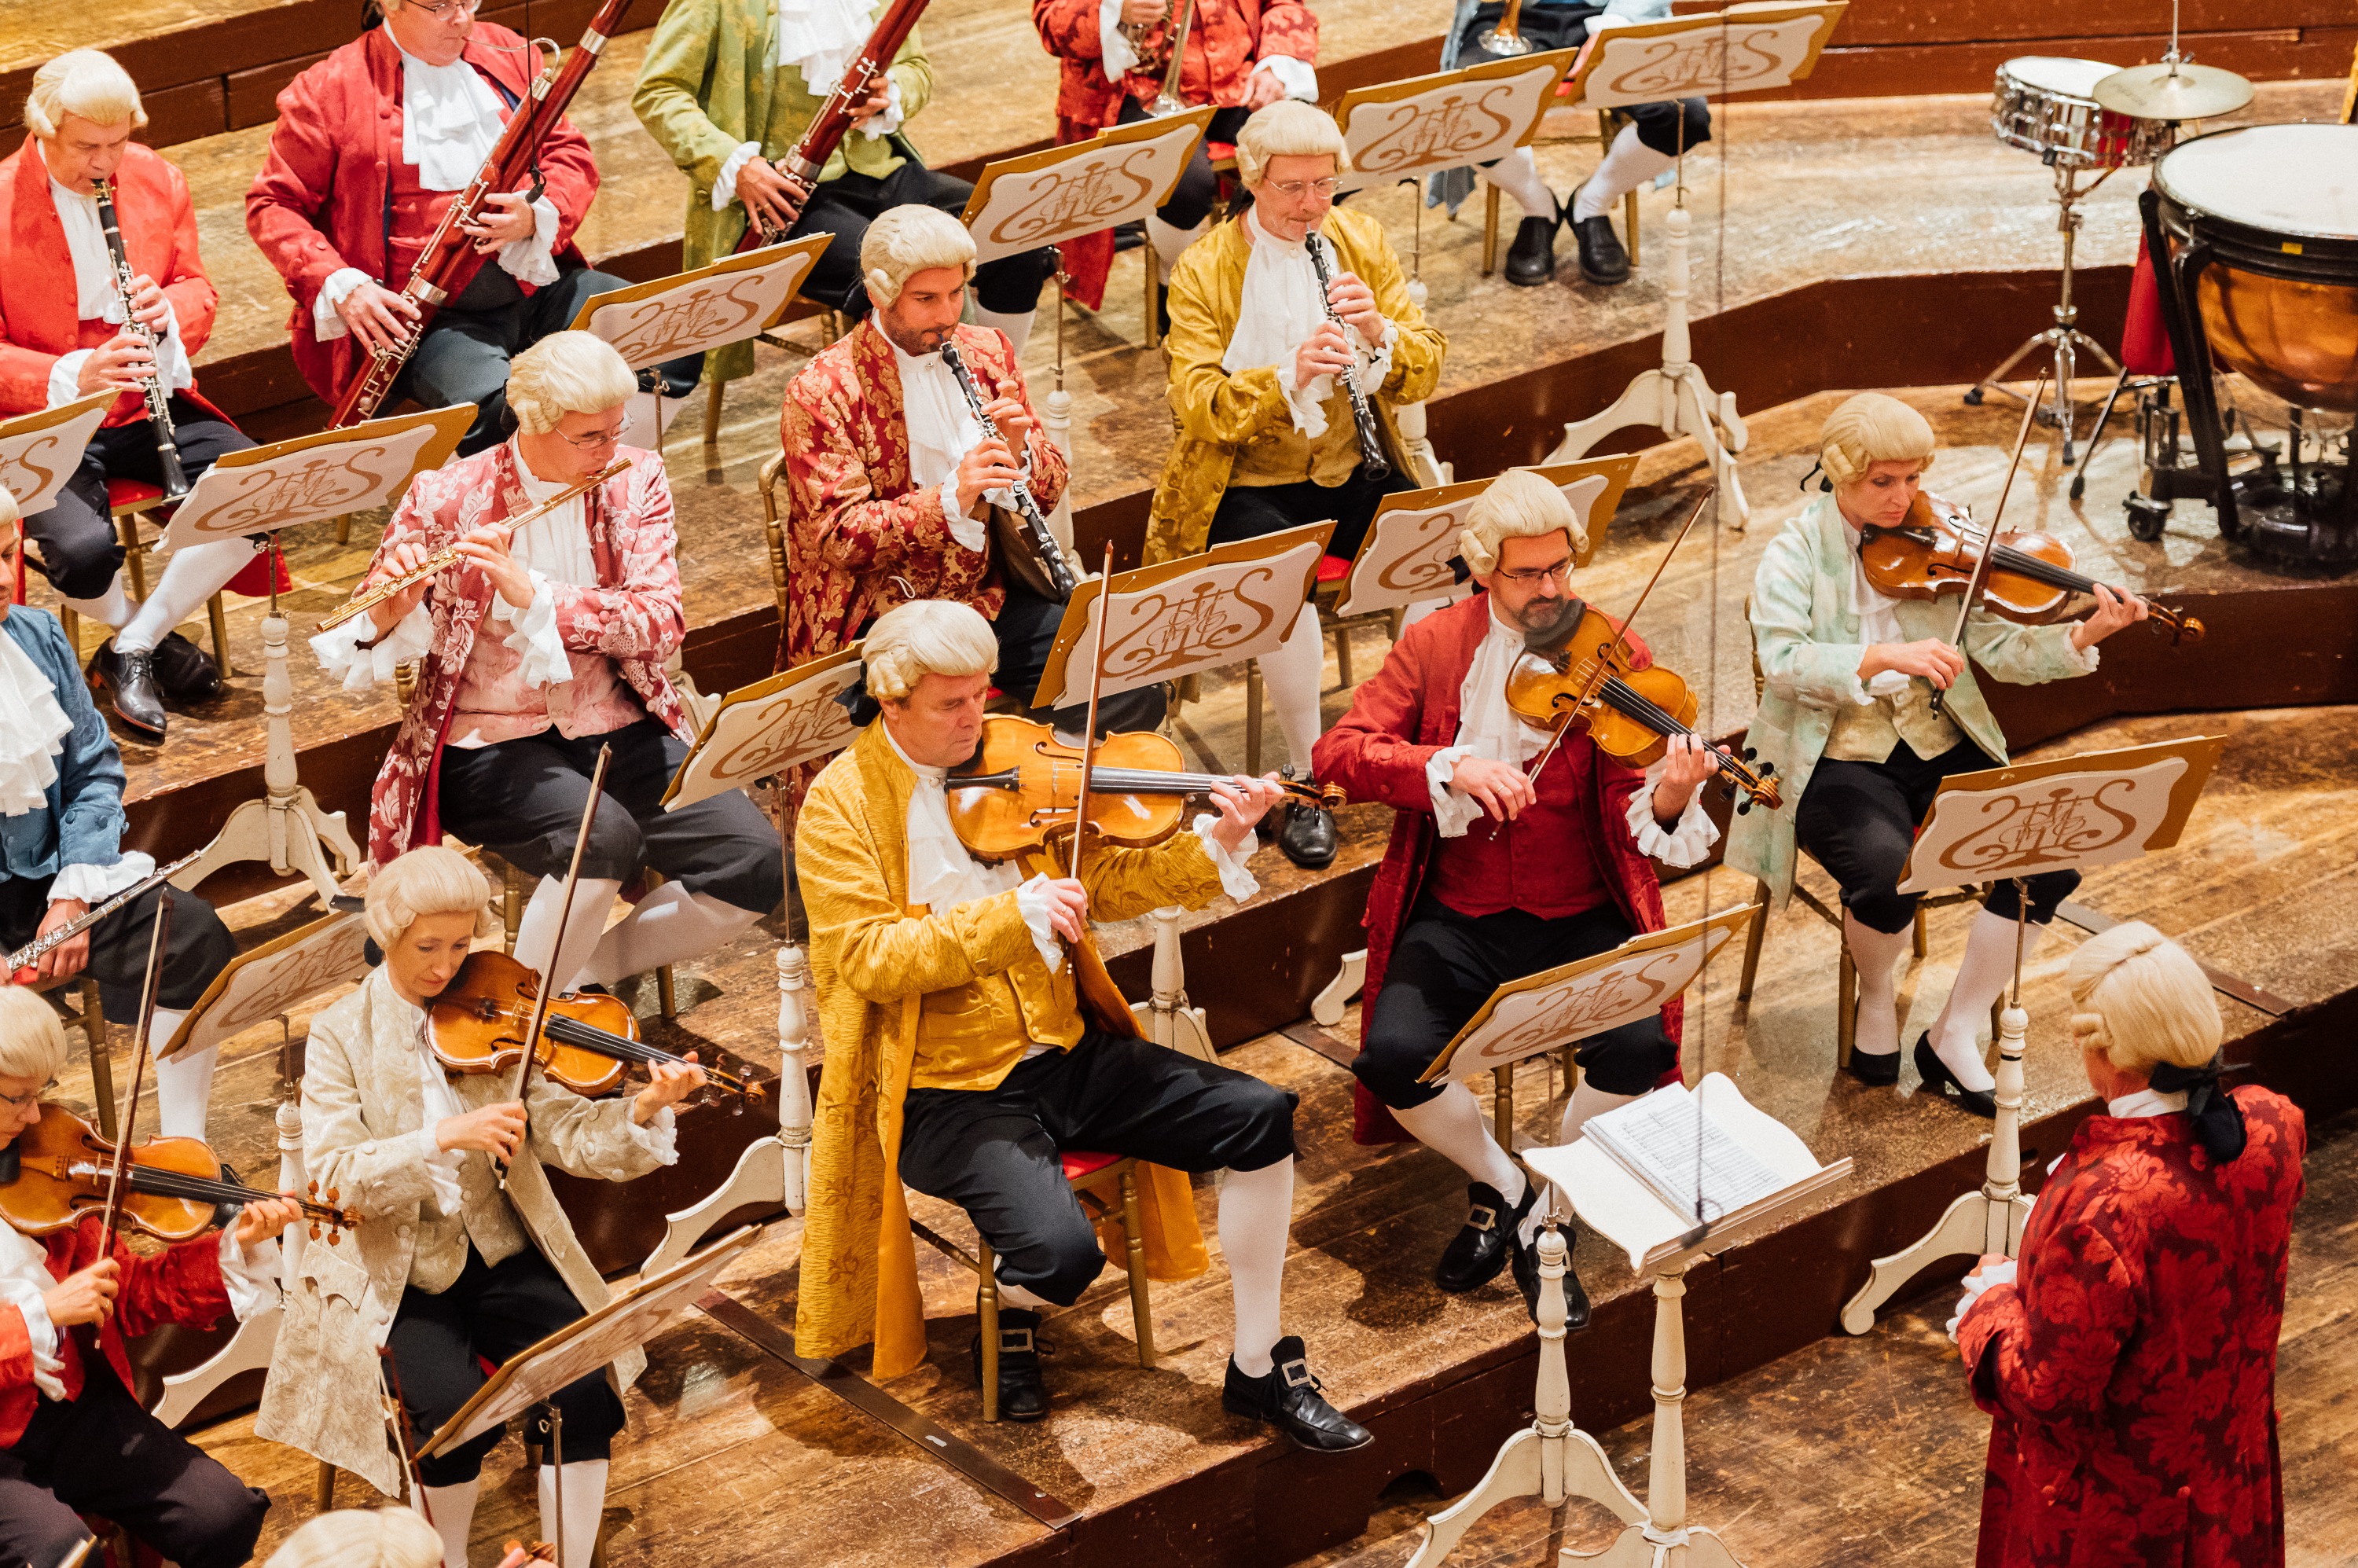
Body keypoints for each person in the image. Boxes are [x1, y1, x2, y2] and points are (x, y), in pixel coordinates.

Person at [792, 600, 1366, 1447]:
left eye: (981, 696)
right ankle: (1020, 1306)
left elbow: (1114, 884)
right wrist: (1010, 918)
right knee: (1063, 1260)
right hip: (942, 1089)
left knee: (1261, 1119)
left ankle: (1258, 1366)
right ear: (892, 702)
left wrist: (1221, 840)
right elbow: (869, 959)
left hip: (1066, 1051)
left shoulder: (1013, 763)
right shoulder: (839, 808)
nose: (976, 718)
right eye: (951, 705)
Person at [1312, 469, 1717, 1323]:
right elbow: (1338, 754)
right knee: (1392, 1058)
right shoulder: (1435, 645)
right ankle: (1511, 1188)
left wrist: (1675, 795)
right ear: (1484, 569)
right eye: (1529, 574)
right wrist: (1446, 764)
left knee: (1639, 1050)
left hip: (1582, 911)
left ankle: (1551, 1206)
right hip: (1457, 915)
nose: (1551, 591)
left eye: (1561, 569)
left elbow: (1635, 804)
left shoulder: (1614, 649)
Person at [257, 845, 707, 1568]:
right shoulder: (342, 1034)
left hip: (501, 1249)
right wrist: (442, 1135)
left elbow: (563, 1132)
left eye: (462, 943)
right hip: (398, 1270)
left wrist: (644, 1107)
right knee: (448, 1417)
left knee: (586, 1388)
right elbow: (336, 1178)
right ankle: (448, 1561)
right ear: (385, 933)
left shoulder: (497, 1004)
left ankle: (566, 1560)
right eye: (427, 946)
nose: (446, 967)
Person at [311, 332, 784, 997]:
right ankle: (515, 1019)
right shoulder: (446, 496)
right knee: (600, 839)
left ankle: (571, 983)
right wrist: (391, 611)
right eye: (590, 437)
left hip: (619, 718)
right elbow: (356, 642)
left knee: (757, 863)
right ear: (532, 421)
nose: (608, 452)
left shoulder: (636, 477)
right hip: (489, 741)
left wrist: (540, 598)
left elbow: (659, 623)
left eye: (616, 432)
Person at [1728, 394, 2147, 1113]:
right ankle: (1878, 998)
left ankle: (1955, 1029)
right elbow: (1784, 658)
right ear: (1838, 474)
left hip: (1936, 739)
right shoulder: (1794, 551)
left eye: (1913, 478)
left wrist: (2083, 636)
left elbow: (2002, 651)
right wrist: (1882, 652)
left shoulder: (1938, 536)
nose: (1904, 499)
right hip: (1832, 755)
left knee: (2051, 857)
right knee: (1888, 878)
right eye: (1881, 483)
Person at [1147, 100, 1445, 868]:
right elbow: (1196, 405)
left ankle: (1421, 742)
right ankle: (1311, 771)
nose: (1314, 205)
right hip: (1247, 478)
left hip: (1354, 460)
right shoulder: (1205, 268)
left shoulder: (1359, 238)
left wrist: (1379, 335)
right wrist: (1286, 380)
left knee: (1443, 552)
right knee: (1280, 591)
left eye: (1326, 184)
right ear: (1251, 181)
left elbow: (1428, 363)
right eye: (1293, 189)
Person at [1952, 922, 2305, 1568]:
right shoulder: (2275, 1125)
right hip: (2230, 1475)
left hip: (2116, 1521)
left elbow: (2046, 1389)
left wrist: (1990, 1307)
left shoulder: (2105, 1208)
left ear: (2108, 1056)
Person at [777, 205, 1165, 736]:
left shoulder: (988, 351)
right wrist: (951, 497)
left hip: (987, 600)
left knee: (1129, 687)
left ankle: (1048, 797)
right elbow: (841, 537)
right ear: (878, 293)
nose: (948, 315)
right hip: (885, 622)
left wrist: (1020, 452)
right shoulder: (820, 391)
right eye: (926, 299)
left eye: (957, 293)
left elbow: (1048, 491)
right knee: (942, 732)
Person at [2, 49, 274, 740]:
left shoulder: (156, 178)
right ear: (41, 129)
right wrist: (70, 375)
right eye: (86, 147)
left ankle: (132, 644)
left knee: (262, 490)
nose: (105, 162)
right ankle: (140, 635)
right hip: (42, 416)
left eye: (117, 142)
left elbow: (198, 288)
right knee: (84, 546)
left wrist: (168, 313)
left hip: (145, 399)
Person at [0, 984, 297, 1568]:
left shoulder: (48, 1171)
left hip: (72, 1411)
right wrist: (42, 1314)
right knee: (63, 1556)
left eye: (41, 1094)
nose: (35, 1116)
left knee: (222, 1514)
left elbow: (130, 1291)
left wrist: (229, 1249)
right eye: (16, 1098)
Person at [247, 0, 626, 456]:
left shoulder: (506, 49)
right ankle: (523, 518)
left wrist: (536, 213)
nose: (463, 19)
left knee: (658, 337)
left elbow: (568, 153)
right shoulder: (328, 89)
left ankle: (618, 496)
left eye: (469, 1)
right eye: (442, 5)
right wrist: (342, 283)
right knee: (504, 413)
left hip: (536, 285)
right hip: (431, 323)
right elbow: (273, 204)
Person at [633, 0, 1056, 400]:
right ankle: (929, 419)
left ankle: (999, 387)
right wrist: (735, 164)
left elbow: (915, 68)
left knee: (1013, 240)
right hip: (781, 197)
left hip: (880, 167)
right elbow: (659, 91)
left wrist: (893, 93)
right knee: (901, 283)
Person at [0, 487, 237, 1141]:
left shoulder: (38, 637)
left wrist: (72, 893)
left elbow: (94, 775)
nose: (1, 578)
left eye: (6, 554)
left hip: (50, 884)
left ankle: (183, 1151)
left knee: (195, 939)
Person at [1031, 0, 1320, 324]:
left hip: (1238, 82)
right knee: (1184, 185)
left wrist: (1275, 63)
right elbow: (1051, 22)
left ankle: (1278, 282)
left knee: (1305, 156)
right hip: (1133, 91)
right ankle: (1178, 291)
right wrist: (1115, 10)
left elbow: (1284, 5)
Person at [1429, 0, 1713, 286]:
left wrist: (1612, 25)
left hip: (1615, 11)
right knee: (1462, 115)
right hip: (1514, 15)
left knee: (1685, 114)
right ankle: (1538, 207)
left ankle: (1592, 203)